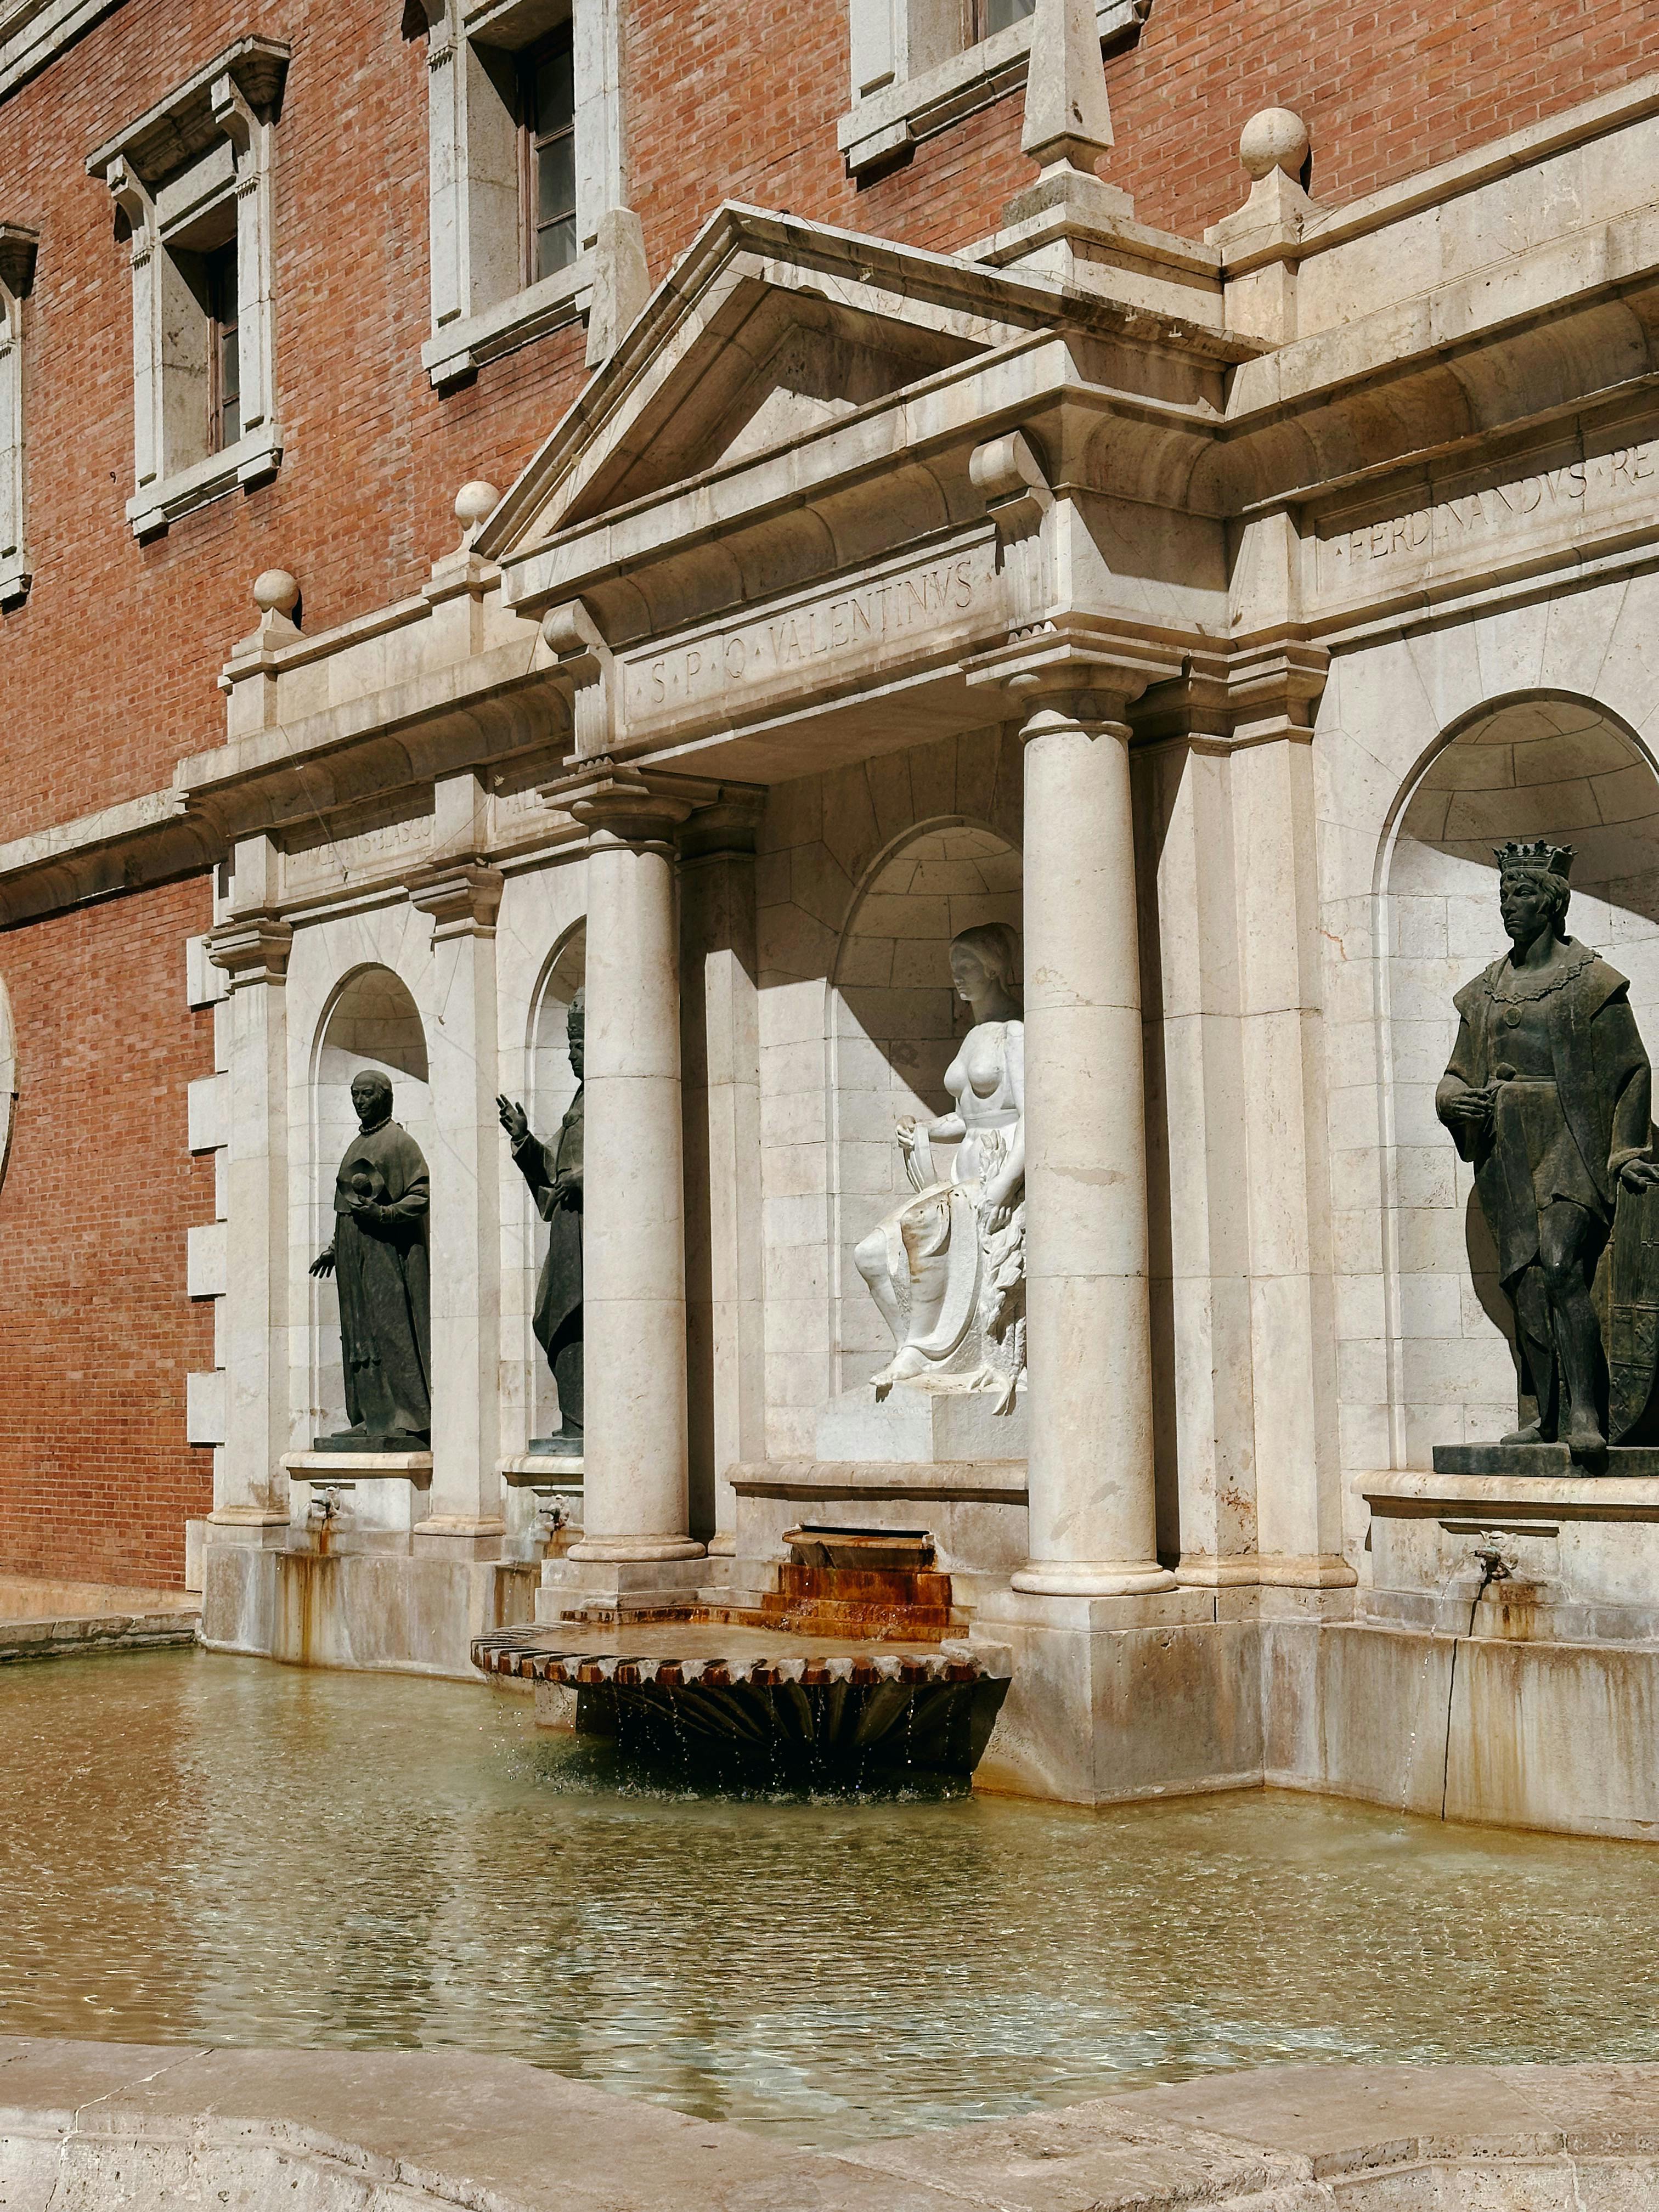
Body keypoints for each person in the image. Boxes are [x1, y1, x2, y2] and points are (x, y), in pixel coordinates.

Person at [1437, 841, 1659, 1457]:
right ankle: (1545, 1412)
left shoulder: (1590, 983)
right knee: (1526, 1284)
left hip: (1571, 1140)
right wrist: (1453, 1102)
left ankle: (1588, 1413)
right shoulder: (1484, 993)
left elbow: (1633, 1069)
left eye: (1524, 893)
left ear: (1553, 903)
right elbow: (1455, 1075)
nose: (1510, 905)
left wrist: (1624, 1150)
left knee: (1563, 1267)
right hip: (1506, 1150)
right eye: (1505, 894)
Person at [854, 923, 1025, 1409]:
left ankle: (922, 1351)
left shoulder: (1016, 1031)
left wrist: (1004, 1186)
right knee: (870, 1255)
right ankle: (918, 1351)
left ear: (994, 968)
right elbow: (971, 1115)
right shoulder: (974, 1035)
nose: (957, 976)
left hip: (997, 1181)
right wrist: (927, 1130)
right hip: (965, 1175)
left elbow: (1035, 1115)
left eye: (967, 965)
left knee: (920, 1237)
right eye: (954, 967)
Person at [310, 1070, 432, 1447]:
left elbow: (420, 1195)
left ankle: (411, 1416)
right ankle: (371, 1415)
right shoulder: (354, 1145)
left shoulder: (399, 1143)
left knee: (391, 1330)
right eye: (354, 1095)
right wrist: (336, 1246)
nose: (359, 1101)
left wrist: (385, 1215)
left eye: (366, 1094)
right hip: (351, 1252)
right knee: (358, 1333)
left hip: (383, 1251)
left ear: (385, 1097)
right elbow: (347, 1205)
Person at [497, 989, 584, 1449]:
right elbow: (554, 1165)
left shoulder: (617, 1093)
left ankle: (586, 1421)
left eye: (579, 1046)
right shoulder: (581, 1097)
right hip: (569, 1228)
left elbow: (629, 1159)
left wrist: (584, 1182)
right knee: (552, 1316)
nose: (572, 1055)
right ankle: (576, 1420)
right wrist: (524, 1139)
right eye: (571, 1047)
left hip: (592, 1235)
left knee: (575, 1317)